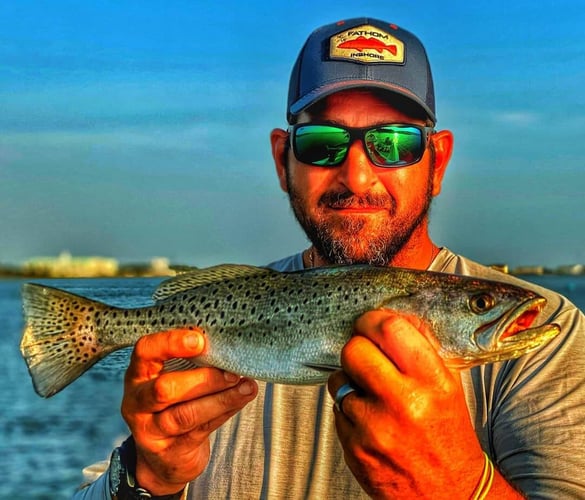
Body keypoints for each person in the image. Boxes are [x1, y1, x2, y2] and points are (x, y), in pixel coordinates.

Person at [74, 17, 585, 499]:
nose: (357, 177)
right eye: (322, 143)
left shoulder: (554, 336)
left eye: (393, 143)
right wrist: (149, 476)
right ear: (282, 159)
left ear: (438, 161)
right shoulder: (209, 333)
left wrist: (459, 486)